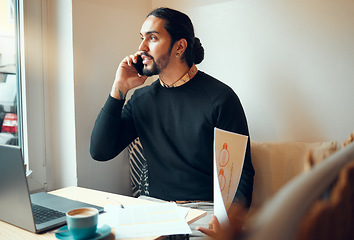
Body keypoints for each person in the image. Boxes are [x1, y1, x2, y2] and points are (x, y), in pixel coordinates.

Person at [90, 7, 255, 237]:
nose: (141, 47)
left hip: (204, 213)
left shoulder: (221, 98)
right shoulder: (141, 100)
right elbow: (100, 151)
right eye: (142, 38)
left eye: (153, 38)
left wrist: (228, 222)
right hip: (153, 209)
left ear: (179, 46)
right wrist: (118, 89)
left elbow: (243, 172)